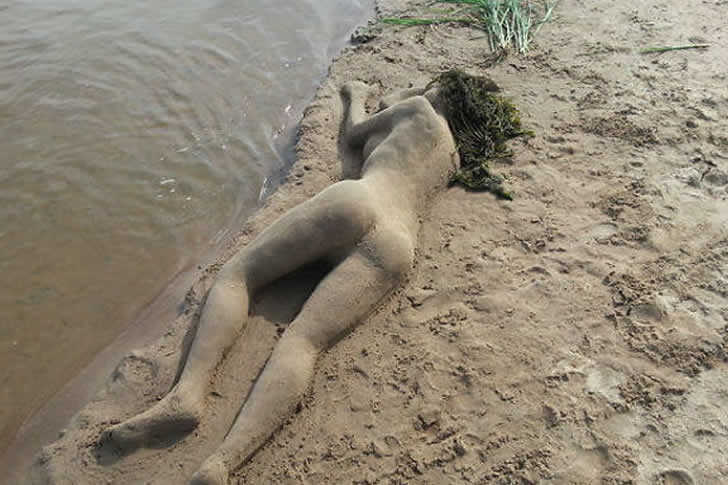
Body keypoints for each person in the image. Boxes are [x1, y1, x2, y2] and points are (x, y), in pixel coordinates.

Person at [105, 72, 498, 485]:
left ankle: (188, 393)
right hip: (396, 246)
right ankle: (223, 463)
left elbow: (356, 132)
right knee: (305, 341)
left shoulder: (417, 109)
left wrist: (356, 95)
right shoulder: (454, 159)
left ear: (440, 91)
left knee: (240, 275)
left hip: (360, 201)